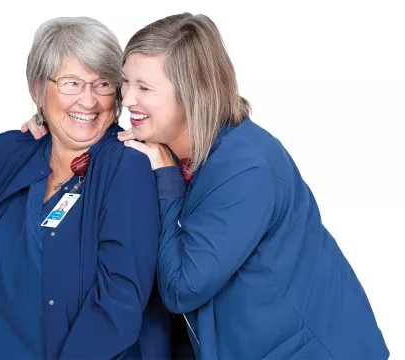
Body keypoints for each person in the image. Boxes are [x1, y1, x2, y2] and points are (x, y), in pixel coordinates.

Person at [25, 12, 390, 360]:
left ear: (190, 94)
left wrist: (167, 182)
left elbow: (182, 287)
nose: (127, 99)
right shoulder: (162, 144)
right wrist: (51, 126)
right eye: (125, 82)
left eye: (145, 87)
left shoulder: (245, 168)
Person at [0, 17, 169, 360]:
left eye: (102, 84)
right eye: (71, 84)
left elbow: (119, 301)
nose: (88, 101)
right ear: (39, 89)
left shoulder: (126, 166)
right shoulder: (7, 151)